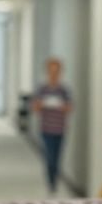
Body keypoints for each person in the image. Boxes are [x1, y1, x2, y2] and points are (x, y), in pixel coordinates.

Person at [32, 58, 72, 193]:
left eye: (56, 71)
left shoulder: (64, 90)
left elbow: (69, 108)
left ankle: (54, 180)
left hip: (60, 128)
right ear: (47, 72)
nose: (54, 74)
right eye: (51, 71)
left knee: (57, 156)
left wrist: (60, 105)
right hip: (46, 128)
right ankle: (50, 182)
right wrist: (44, 104)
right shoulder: (42, 89)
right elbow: (35, 107)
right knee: (49, 156)